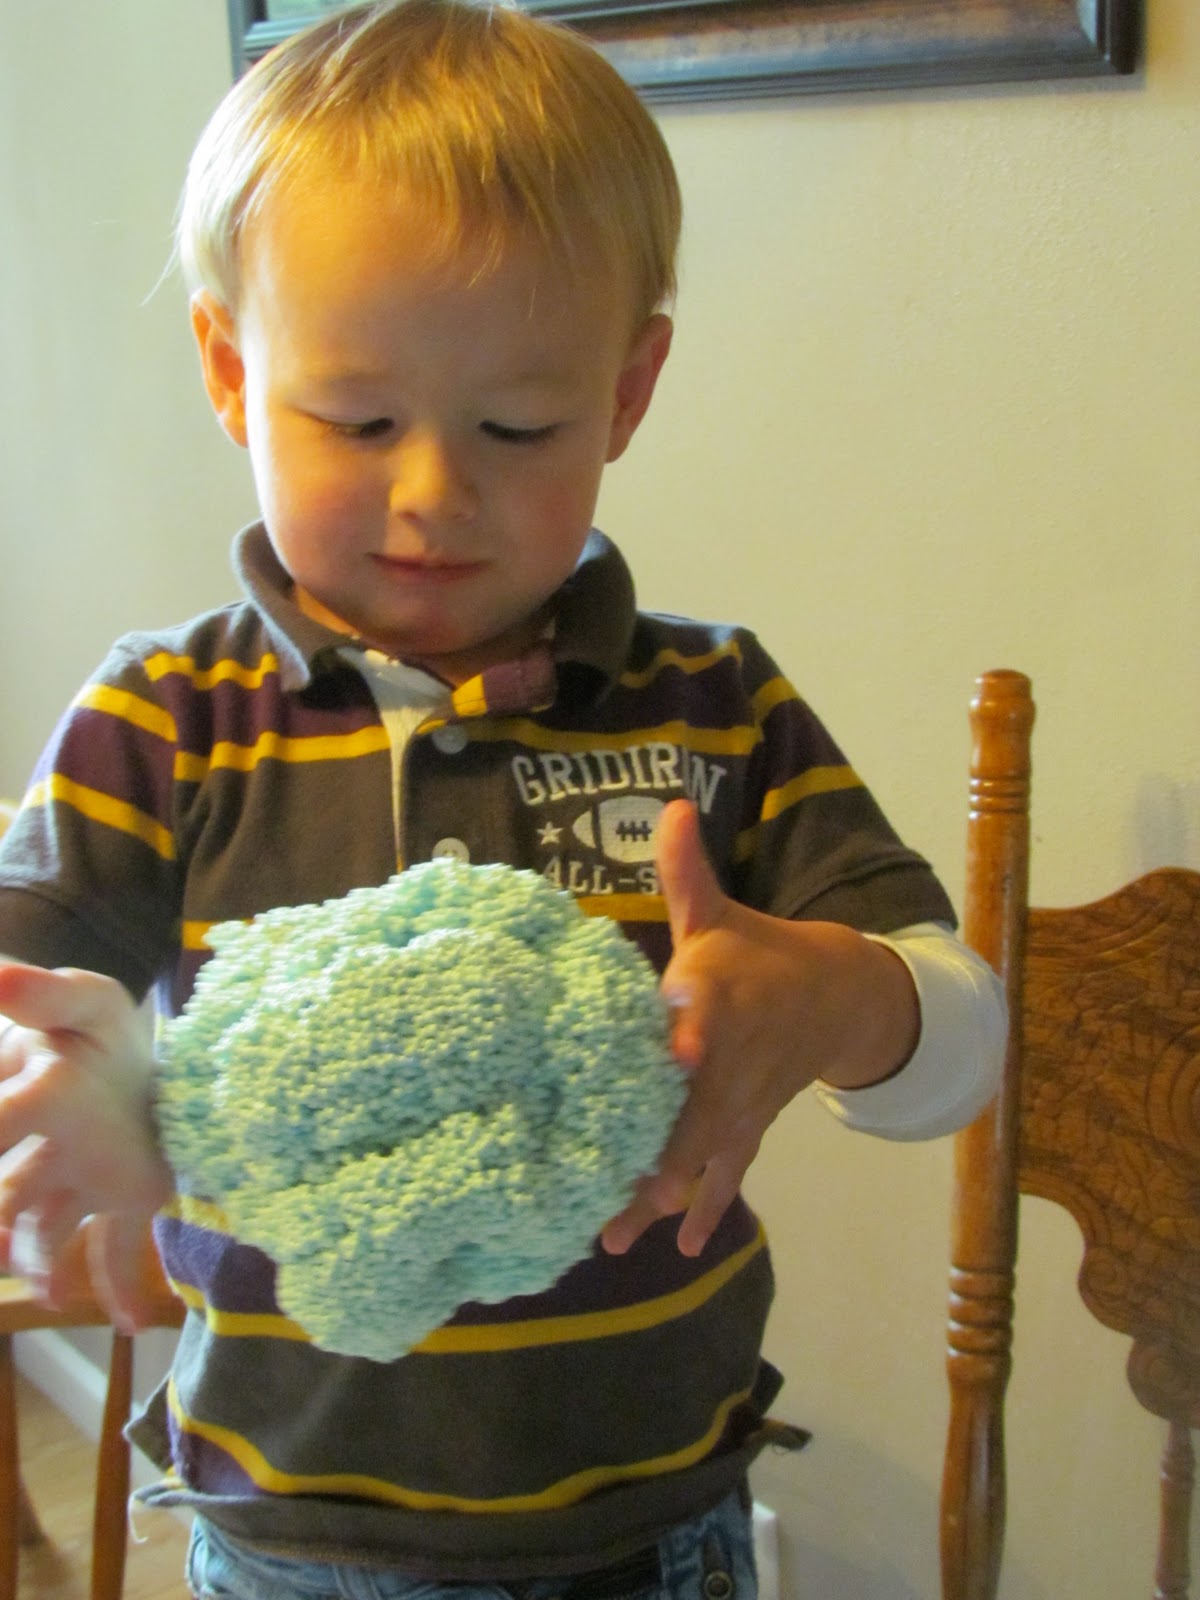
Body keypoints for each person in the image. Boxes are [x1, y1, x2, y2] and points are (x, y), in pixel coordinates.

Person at [0, 2, 1005, 1595]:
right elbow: (20, 983)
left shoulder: (715, 703)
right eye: (357, 420)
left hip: (655, 1526)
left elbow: (960, 1034)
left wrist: (849, 1002)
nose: (430, 494)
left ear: (625, 390)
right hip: (286, 1539)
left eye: (516, 426)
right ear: (226, 368)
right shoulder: (169, 720)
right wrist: (79, 1085)